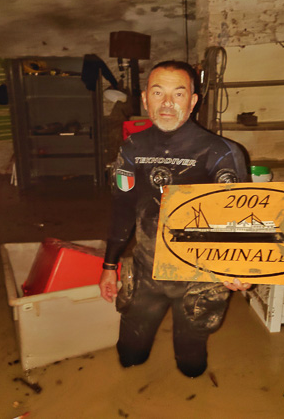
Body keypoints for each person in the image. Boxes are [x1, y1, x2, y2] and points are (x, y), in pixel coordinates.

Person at [99, 60, 251, 378]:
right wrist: (109, 266)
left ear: (193, 101)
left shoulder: (222, 153)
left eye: (178, 94)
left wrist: (240, 267)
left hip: (200, 276)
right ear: (145, 99)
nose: (167, 103)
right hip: (146, 269)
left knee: (191, 363)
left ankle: (191, 367)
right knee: (130, 355)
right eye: (158, 93)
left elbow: (240, 217)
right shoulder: (131, 148)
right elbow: (122, 208)